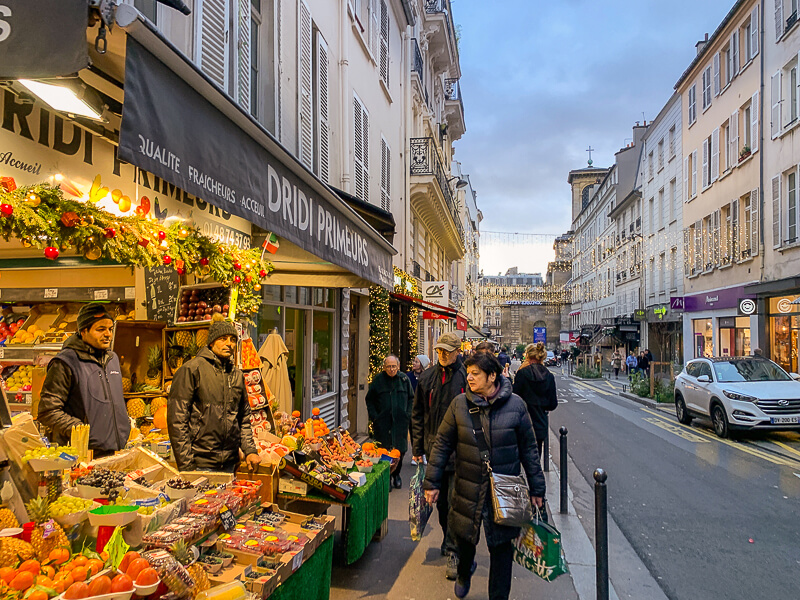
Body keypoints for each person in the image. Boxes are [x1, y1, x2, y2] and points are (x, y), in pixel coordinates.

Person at [423, 353, 545, 600]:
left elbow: (529, 450)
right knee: (465, 542)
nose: (469, 377)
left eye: (475, 373)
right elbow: (442, 444)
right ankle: (464, 572)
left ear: (492, 376)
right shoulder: (459, 404)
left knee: (501, 552)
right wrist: (432, 482)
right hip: (468, 488)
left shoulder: (516, 406)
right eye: (468, 372)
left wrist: (537, 489)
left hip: (504, 492)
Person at [168, 314, 261, 472]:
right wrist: (187, 465)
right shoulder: (191, 370)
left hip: (231, 464)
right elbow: (177, 421)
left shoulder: (237, 375)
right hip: (200, 463)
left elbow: (243, 419)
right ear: (211, 342)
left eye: (232, 340)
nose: (229, 344)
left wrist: (250, 450)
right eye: (223, 339)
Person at [38, 303, 131, 458]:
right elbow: (47, 411)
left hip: (115, 450)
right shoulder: (66, 362)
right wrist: (80, 429)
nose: (108, 334)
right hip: (83, 454)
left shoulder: (112, 359)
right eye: (100, 329)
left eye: (110, 329)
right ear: (83, 331)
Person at [411, 332, 467, 579]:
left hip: (462, 451)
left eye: (447, 351)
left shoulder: (467, 377)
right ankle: (448, 538)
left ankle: (454, 550)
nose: (443, 355)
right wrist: (417, 449)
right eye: (440, 351)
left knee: (456, 502)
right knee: (442, 503)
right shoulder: (426, 378)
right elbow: (418, 414)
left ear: (457, 352)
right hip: (435, 450)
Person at [366, 354, 414, 489]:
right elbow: (369, 399)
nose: (391, 369)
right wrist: (375, 416)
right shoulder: (378, 380)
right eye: (389, 366)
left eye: (394, 366)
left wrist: (407, 414)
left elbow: (411, 398)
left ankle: (396, 475)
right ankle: (386, 476)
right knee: (383, 449)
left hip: (400, 422)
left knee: (400, 449)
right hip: (383, 422)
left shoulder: (404, 380)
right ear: (384, 367)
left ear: (398, 367)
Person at [512, 342, 558, 458]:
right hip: (540, 425)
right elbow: (553, 404)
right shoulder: (549, 376)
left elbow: (514, 398)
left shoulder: (522, 373)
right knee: (535, 463)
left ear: (527, 356)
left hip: (522, 424)